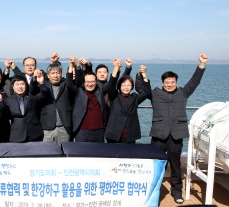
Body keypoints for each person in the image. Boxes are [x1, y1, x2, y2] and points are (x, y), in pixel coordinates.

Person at [136, 54, 209, 204]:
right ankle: (152, 192)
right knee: (156, 165)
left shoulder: (183, 92)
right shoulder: (155, 93)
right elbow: (141, 88)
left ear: (176, 82)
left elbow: (195, 81)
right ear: (162, 83)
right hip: (158, 135)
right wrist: (141, 74)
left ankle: (176, 192)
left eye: (172, 82)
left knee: (176, 166)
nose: (170, 84)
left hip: (176, 135)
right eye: (167, 82)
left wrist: (201, 64)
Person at [69, 59, 121, 142]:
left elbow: (111, 82)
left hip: (99, 131)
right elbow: (69, 83)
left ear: (96, 82)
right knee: (81, 153)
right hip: (81, 131)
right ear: (83, 82)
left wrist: (116, 68)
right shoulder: (79, 91)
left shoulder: (100, 89)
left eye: (93, 81)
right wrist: (74, 65)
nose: (90, 84)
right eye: (87, 81)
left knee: (98, 154)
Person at [0, 69, 49, 142]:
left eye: (22, 84)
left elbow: (44, 95)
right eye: (17, 84)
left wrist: (41, 83)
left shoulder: (32, 97)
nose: (20, 87)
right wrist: (1, 100)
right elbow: (5, 114)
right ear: (13, 87)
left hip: (34, 133)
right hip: (17, 134)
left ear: (26, 86)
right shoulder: (8, 100)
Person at [104, 65, 151, 144]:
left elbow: (147, 92)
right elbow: (111, 85)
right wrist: (116, 68)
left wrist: (143, 74)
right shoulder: (114, 96)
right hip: (114, 134)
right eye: (123, 85)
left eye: (129, 85)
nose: (126, 87)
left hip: (130, 135)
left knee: (129, 155)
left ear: (132, 87)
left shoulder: (135, 98)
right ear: (119, 86)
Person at [39, 55, 76, 147]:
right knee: (46, 153)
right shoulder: (43, 86)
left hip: (63, 128)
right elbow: (32, 90)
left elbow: (71, 82)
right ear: (48, 75)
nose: (55, 75)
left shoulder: (66, 85)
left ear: (61, 74)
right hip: (47, 128)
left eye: (58, 73)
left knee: (64, 153)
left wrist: (71, 66)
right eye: (53, 73)